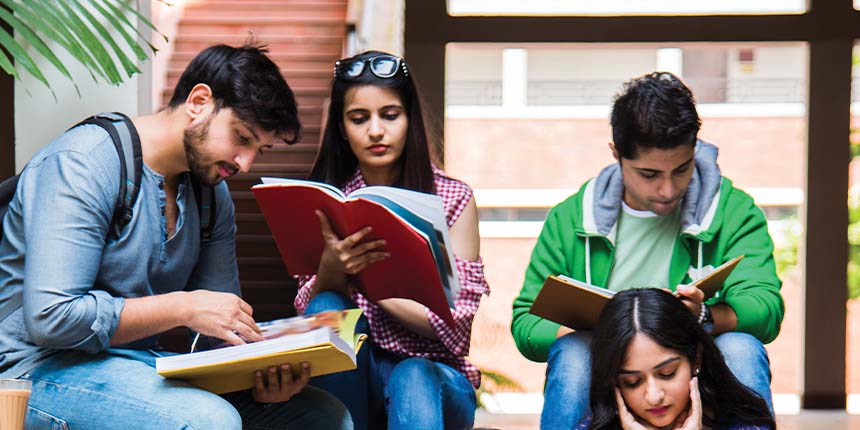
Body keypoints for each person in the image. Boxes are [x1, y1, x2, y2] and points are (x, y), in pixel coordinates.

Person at [0, 43, 351, 429]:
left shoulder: (212, 195)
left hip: (136, 367)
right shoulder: (84, 162)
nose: (245, 162)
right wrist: (183, 308)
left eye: (259, 150)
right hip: (34, 370)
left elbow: (221, 327)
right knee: (209, 421)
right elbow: (52, 317)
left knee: (322, 416)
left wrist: (262, 371)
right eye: (241, 137)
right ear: (199, 101)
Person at [511, 72, 785, 429]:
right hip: (614, 374)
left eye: (682, 169)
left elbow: (766, 309)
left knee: (741, 349)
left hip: (693, 372)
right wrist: (608, 332)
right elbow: (527, 324)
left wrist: (703, 316)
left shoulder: (733, 210)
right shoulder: (571, 219)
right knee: (575, 354)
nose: (668, 189)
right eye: (649, 174)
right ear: (616, 154)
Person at [293, 50, 489, 430]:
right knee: (329, 302)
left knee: (412, 374)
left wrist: (372, 284)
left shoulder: (452, 198)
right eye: (359, 118)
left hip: (435, 380)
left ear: (409, 119)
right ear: (341, 127)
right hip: (355, 378)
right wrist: (333, 269)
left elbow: (456, 324)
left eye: (390, 115)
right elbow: (311, 314)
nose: (376, 131)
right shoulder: (328, 201)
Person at [582, 288, 775, 430]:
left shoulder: (745, 424)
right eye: (632, 382)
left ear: (696, 359)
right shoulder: (590, 426)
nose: (654, 396)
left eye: (667, 373)